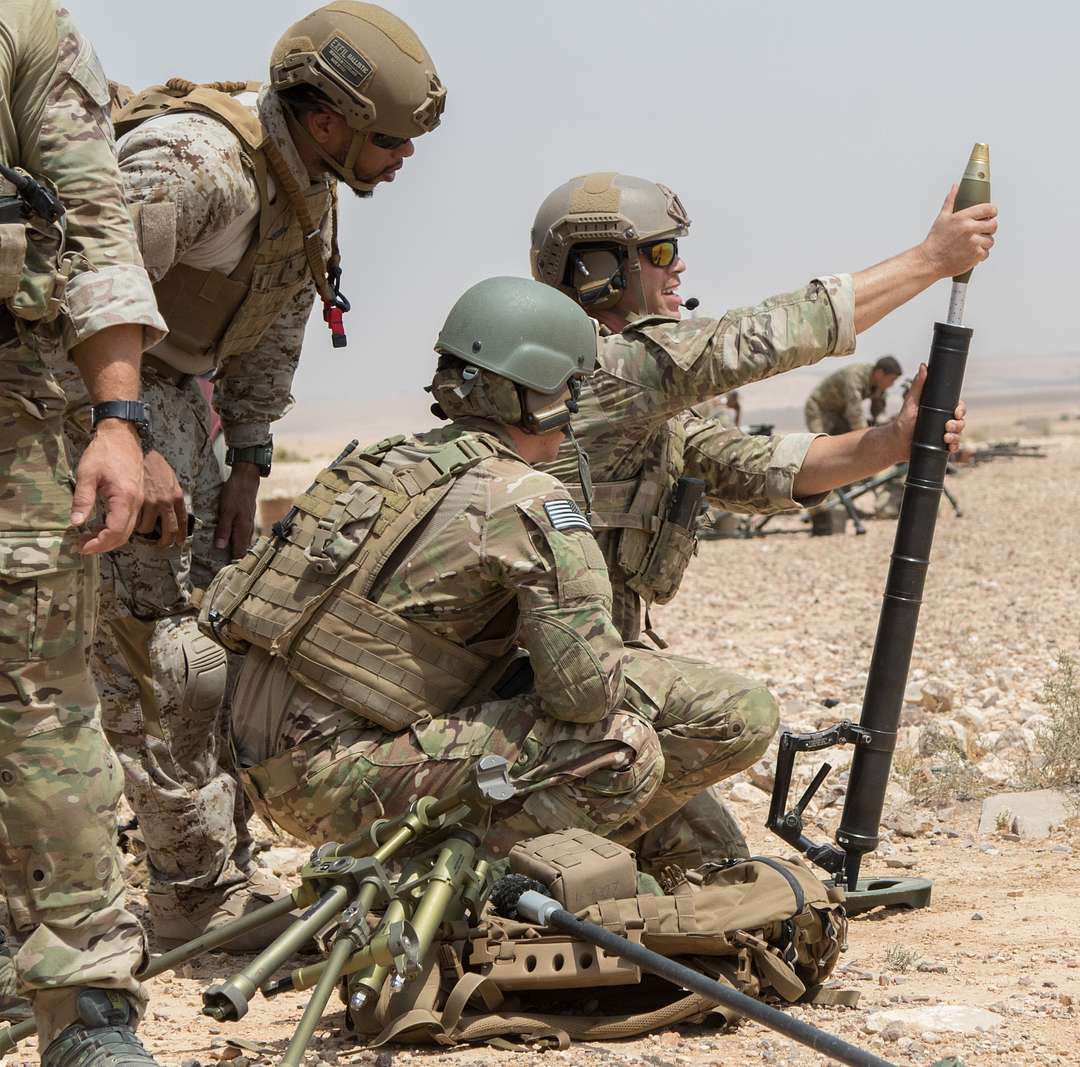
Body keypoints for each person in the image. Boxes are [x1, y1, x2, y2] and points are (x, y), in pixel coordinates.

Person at [52, 0, 446, 947]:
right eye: (390, 139)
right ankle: (191, 893)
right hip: (86, 402)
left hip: (174, 409)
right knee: (155, 658)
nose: (403, 159)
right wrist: (127, 433)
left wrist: (248, 461)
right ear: (326, 121)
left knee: (207, 641)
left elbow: (272, 323)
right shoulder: (200, 168)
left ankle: (211, 862)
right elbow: (79, 285)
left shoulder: (301, 185)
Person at [529, 173, 994, 878]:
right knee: (734, 720)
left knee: (710, 864)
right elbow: (755, 341)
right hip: (539, 692)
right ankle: (502, 852)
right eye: (658, 251)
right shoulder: (596, 367)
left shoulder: (638, 400)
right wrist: (931, 260)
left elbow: (752, 469)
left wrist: (889, 443)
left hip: (588, 688)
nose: (678, 265)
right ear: (597, 270)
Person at [199, 277, 662, 853]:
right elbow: (586, 696)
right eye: (570, 387)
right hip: (337, 787)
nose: (572, 408)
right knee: (621, 746)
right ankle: (458, 892)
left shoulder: (380, 461)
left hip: (251, 765)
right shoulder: (522, 494)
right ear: (534, 392)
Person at [0, 2, 171, 1061]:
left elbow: (97, 222)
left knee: (42, 708)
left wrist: (117, 414)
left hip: (11, 425)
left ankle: (87, 1004)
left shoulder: (23, 27)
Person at [803, 356, 901, 435]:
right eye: (892, 379)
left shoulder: (879, 385)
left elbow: (878, 414)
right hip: (819, 409)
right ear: (880, 374)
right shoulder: (855, 377)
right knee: (822, 447)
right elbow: (855, 412)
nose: (892, 384)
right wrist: (867, 436)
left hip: (840, 414)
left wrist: (885, 423)